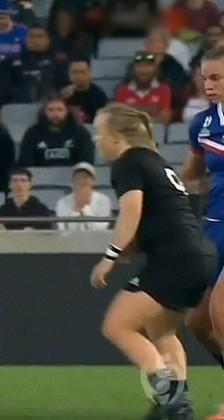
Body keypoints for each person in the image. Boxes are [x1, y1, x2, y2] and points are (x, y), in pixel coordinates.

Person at [91, 102, 214, 420]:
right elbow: (162, 212)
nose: (97, 140)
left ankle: (167, 393)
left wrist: (110, 257)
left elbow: (132, 209)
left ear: (117, 138)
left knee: (117, 326)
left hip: (174, 259)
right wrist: (137, 242)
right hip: (198, 255)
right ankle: (180, 405)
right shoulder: (156, 161)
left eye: (99, 133)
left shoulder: (127, 162)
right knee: (161, 331)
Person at [182, 48, 224, 416]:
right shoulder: (202, 124)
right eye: (205, 78)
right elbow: (192, 172)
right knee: (197, 320)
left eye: (217, 78)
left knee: (221, 309)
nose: (209, 86)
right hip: (215, 225)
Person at [18, 95, 95, 167]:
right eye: (51, 110)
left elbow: (86, 162)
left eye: (60, 109)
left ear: (67, 111)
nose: (55, 114)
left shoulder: (80, 133)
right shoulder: (32, 133)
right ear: (44, 112)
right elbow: (25, 163)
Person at [55, 162, 112, 231]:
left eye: (85, 178)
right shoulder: (62, 202)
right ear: (72, 181)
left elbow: (101, 229)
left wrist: (85, 209)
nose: (81, 181)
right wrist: (77, 209)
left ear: (93, 181)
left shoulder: (104, 200)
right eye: (78, 178)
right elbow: (63, 229)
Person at [62, 59, 109, 124]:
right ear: (69, 74)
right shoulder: (63, 95)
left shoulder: (99, 95)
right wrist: (62, 98)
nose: (78, 76)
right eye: (74, 72)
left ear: (89, 73)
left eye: (82, 72)